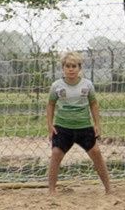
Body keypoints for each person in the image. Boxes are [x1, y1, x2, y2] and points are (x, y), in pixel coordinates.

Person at [44, 52, 113, 193]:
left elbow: (93, 104)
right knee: (56, 154)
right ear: (63, 68)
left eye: (74, 66)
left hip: (84, 126)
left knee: (96, 153)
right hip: (63, 127)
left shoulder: (87, 85)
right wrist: (50, 126)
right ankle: (51, 191)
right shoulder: (56, 85)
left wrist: (97, 125)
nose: (71, 69)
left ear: (79, 68)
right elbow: (50, 104)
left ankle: (108, 188)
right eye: (67, 66)